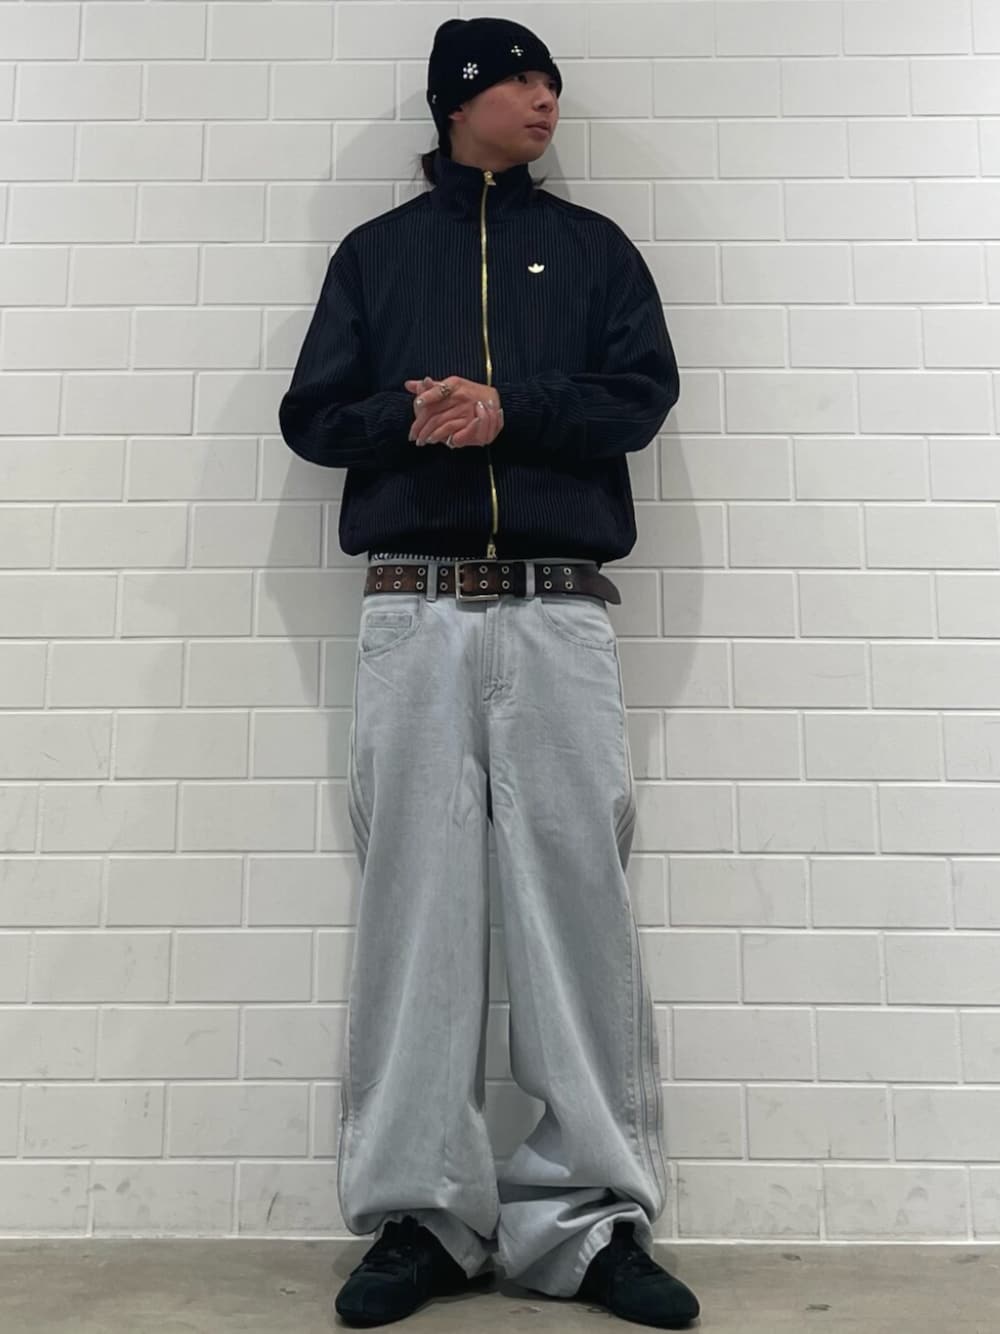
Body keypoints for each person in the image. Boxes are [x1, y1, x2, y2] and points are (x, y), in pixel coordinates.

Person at [278, 16, 699, 1330]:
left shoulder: (594, 250)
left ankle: (590, 1218)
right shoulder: (377, 255)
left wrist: (514, 407)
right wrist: (414, 414)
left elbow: (643, 393)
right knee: (417, 913)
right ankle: (424, 1216)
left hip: (561, 612)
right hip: (413, 612)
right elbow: (312, 417)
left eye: (551, 79)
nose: (545, 97)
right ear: (457, 100)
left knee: (577, 908)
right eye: (519, 78)